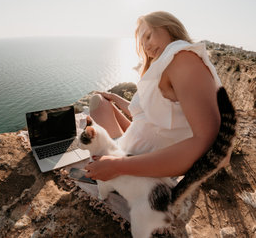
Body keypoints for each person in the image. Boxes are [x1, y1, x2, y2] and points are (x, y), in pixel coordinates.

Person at [85, 11, 223, 181]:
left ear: (169, 27)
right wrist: (114, 97)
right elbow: (145, 113)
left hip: (138, 169)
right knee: (103, 102)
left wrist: (116, 166)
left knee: (97, 105)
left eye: (149, 36)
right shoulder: (169, 63)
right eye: (143, 44)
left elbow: (207, 142)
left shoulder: (183, 60)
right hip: (135, 149)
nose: (147, 47)